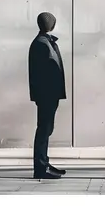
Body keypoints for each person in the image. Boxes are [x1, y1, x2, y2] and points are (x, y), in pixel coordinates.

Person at [28, 11, 67, 180]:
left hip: (49, 95)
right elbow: (45, 73)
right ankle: (41, 167)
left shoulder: (44, 42)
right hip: (47, 95)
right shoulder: (41, 44)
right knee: (44, 129)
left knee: (46, 129)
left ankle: (44, 163)